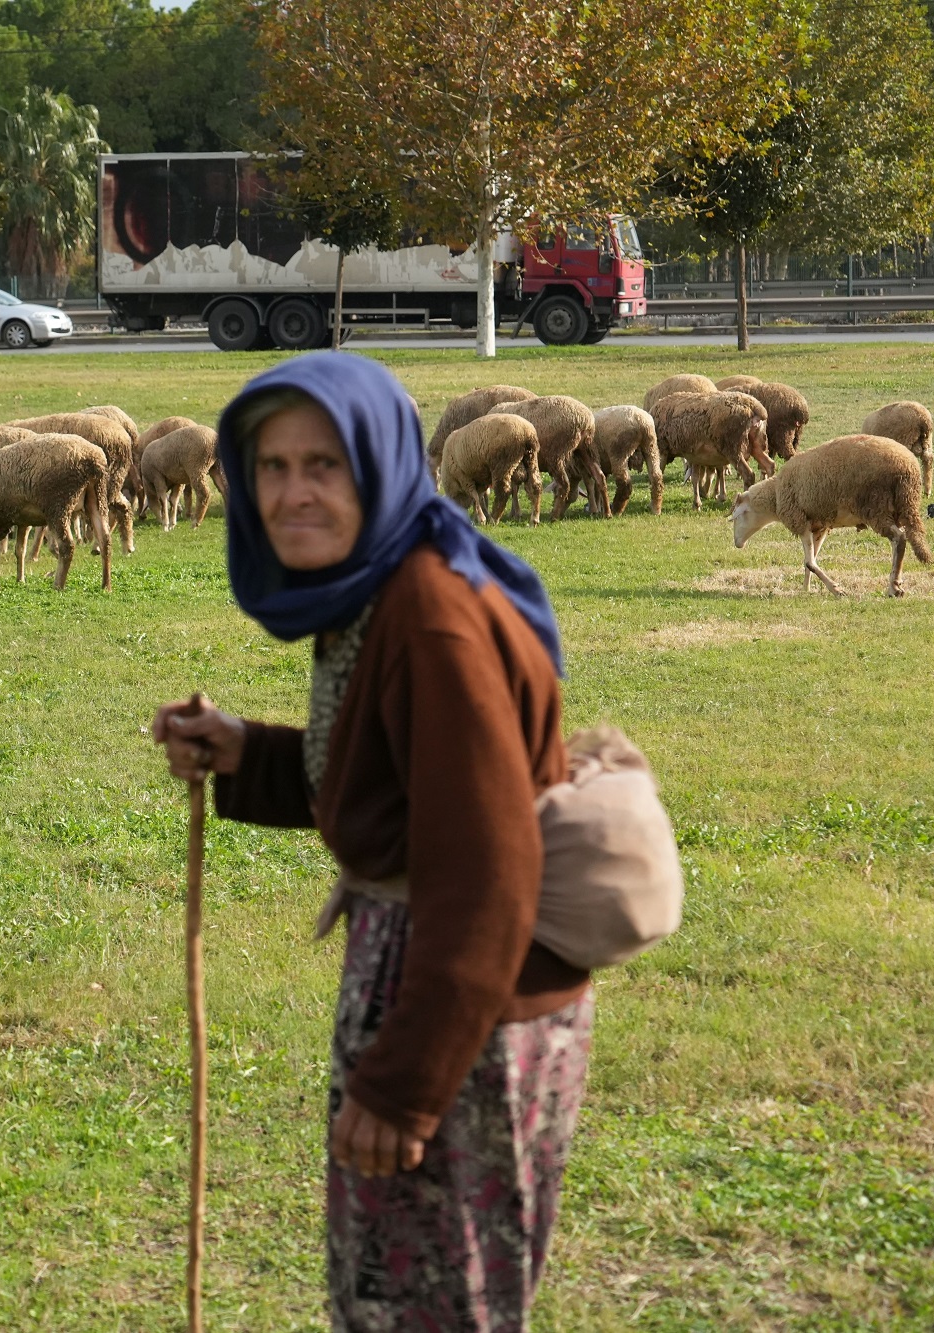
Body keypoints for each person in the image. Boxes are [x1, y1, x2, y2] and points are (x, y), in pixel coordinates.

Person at [150, 353, 591, 1333]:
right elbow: (395, 791)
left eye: (324, 466)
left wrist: (400, 1087)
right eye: (271, 466)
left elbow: (484, 872)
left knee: (435, 1304)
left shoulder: (429, 620)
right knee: (398, 1294)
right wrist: (243, 755)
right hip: (434, 985)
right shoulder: (379, 592)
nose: (291, 493)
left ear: (380, 469)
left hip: (464, 1011)